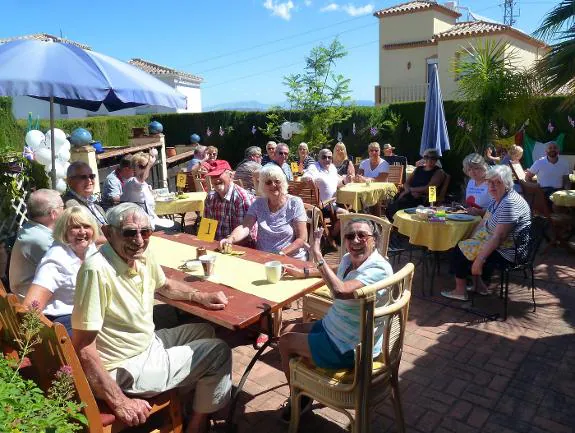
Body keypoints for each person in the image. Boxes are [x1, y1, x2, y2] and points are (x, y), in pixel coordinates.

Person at [71, 203, 231, 433]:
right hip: (124, 368)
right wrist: (120, 403)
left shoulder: (142, 255)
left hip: (146, 345)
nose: (139, 240)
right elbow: (84, 348)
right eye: (129, 232)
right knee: (219, 351)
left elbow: (164, 286)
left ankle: (185, 404)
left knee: (205, 331)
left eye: (145, 232)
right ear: (107, 232)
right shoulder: (96, 270)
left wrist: (202, 296)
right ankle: (196, 426)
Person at [279, 220, 393, 422]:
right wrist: (304, 272)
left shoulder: (378, 270)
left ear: (374, 241)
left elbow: (340, 291)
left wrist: (317, 255)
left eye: (362, 235)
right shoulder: (351, 259)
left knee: (285, 342)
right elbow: (336, 268)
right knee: (288, 328)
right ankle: (304, 386)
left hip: (349, 346)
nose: (355, 240)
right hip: (334, 328)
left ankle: (297, 397)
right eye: (350, 236)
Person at [442, 165, 531, 301]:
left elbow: (499, 237)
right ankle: (480, 286)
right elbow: (484, 221)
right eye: (490, 182)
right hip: (500, 242)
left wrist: (479, 260)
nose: (492, 186)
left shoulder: (509, 203)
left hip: (507, 251)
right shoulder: (499, 198)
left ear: (507, 183)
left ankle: (460, 291)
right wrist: (471, 239)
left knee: (459, 251)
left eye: (498, 182)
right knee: (464, 245)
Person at [20, 206, 98, 333]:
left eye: (86, 226)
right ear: (64, 231)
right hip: (64, 322)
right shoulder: (56, 260)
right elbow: (29, 307)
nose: (82, 232)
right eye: (75, 227)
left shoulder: (89, 249)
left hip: (87, 316)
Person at [220, 164, 307, 260]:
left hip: (291, 258)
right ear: (263, 186)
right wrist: (230, 239)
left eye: (277, 181)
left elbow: (302, 238)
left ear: (283, 183)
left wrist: (282, 253)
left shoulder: (295, 203)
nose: (273, 185)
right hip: (263, 258)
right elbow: (245, 227)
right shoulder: (258, 203)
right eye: (268, 182)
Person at [9, 189, 64, 296]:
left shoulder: (32, 230)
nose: (65, 211)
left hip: (32, 300)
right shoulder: (41, 239)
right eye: (62, 207)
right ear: (54, 213)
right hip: (36, 308)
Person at [204, 160, 256, 243]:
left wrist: (227, 243)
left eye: (219, 175)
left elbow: (246, 235)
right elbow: (206, 229)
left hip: (238, 248)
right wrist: (205, 245)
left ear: (231, 176)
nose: (216, 179)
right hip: (217, 246)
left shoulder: (241, 198)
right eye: (212, 176)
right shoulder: (210, 197)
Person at [386, 148, 445, 220]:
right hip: (411, 194)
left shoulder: (438, 172)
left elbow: (429, 188)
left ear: (436, 159)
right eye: (426, 157)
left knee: (400, 204)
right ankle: (398, 225)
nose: (429, 160)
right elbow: (406, 182)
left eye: (432, 158)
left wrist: (411, 190)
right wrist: (407, 190)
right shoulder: (418, 169)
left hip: (424, 198)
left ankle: (402, 226)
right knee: (392, 205)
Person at [302, 148, 349, 238]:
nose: (327, 160)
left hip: (333, 203)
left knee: (350, 211)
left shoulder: (332, 167)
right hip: (322, 206)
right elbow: (305, 176)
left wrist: (345, 181)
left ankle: (333, 234)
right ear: (319, 158)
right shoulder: (314, 167)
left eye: (329, 157)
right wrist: (308, 179)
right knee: (346, 214)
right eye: (324, 157)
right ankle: (332, 237)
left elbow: (337, 184)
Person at [121, 151, 161, 229]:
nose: (145, 169)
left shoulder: (140, 183)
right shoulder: (132, 182)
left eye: (146, 166)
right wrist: (149, 164)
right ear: (133, 168)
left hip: (148, 220)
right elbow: (141, 180)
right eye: (142, 167)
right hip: (141, 224)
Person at [63, 161, 107, 227]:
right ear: (70, 181)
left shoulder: (93, 201)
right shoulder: (70, 205)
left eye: (91, 176)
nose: (89, 180)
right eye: (83, 177)